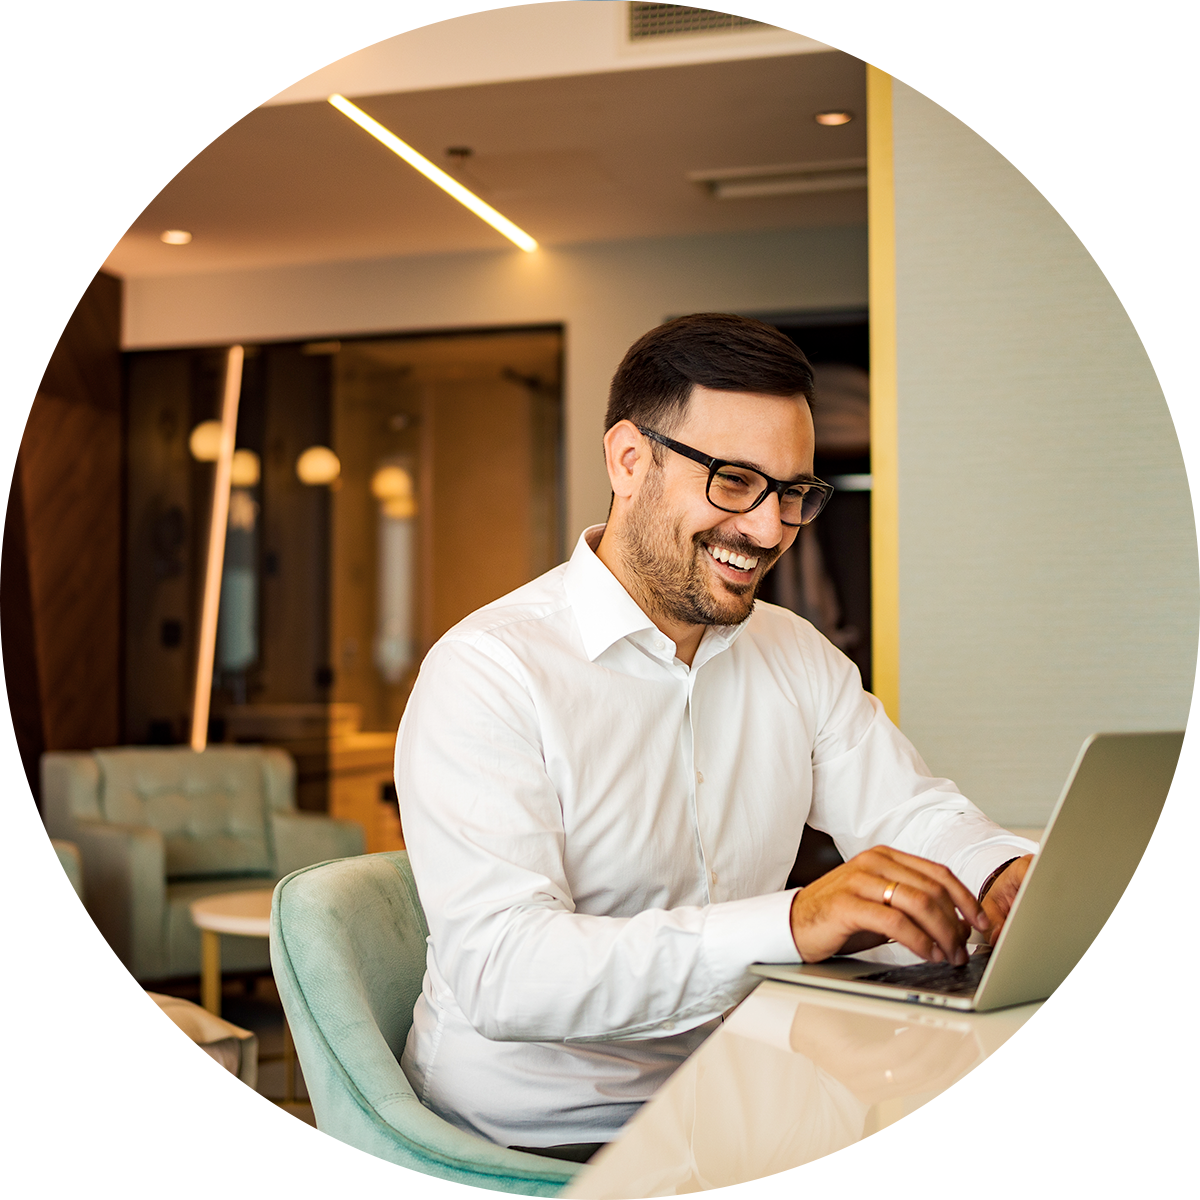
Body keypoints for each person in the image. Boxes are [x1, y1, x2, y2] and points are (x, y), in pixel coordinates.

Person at [395, 313, 1036, 1156]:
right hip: (543, 1140)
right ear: (629, 461)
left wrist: (1002, 871)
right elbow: (505, 972)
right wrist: (794, 922)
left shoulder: (794, 653)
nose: (769, 531)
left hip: (744, 1102)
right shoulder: (490, 671)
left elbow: (908, 811)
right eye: (735, 482)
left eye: (793, 493)